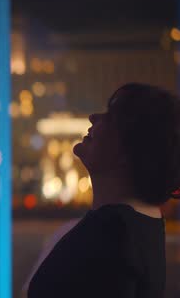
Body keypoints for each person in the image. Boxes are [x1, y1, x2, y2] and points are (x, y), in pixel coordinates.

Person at [28, 83, 180, 298]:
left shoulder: (111, 236)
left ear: (132, 148)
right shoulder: (143, 224)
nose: (93, 117)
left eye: (111, 116)